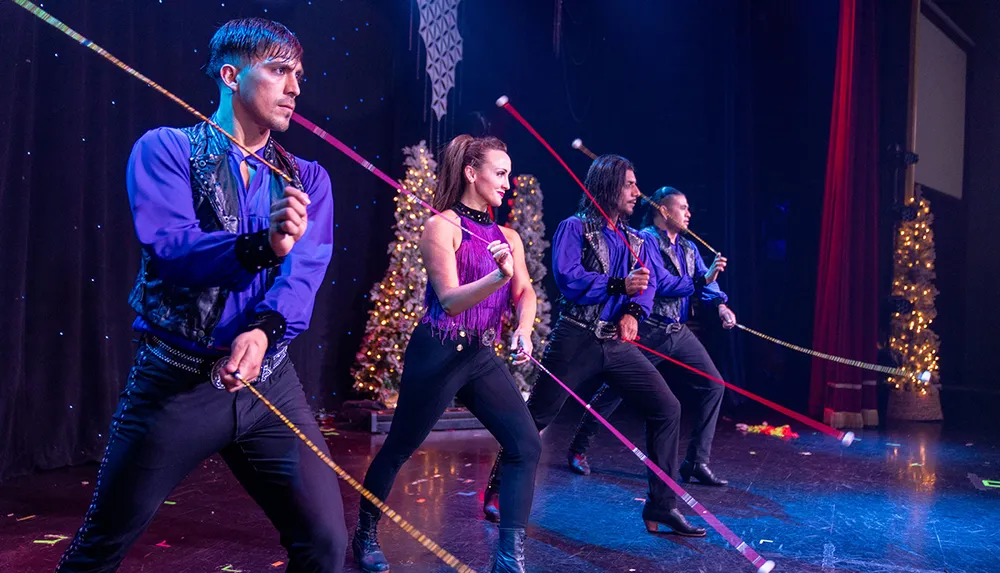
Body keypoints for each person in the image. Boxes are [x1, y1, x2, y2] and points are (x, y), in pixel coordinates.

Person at [57, 18, 346, 572]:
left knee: (326, 545)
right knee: (99, 550)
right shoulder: (165, 151)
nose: (295, 88)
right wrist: (262, 245)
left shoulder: (308, 179)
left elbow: (305, 270)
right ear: (232, 75)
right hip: (177, 384)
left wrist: (264, 332)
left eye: (300, 75)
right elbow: (174, 248)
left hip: (269, 383)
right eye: (281, 70)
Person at [482, 156, 706, 537]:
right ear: (608, 185)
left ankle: (661, 507)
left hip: (614, 343)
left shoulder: (636, 239)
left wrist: (633, 311)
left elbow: (647, 285)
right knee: (536, 416)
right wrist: (620, 287)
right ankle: (498, 489)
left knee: (668, 408)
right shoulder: (576, 228)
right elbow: (569, 280)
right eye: (630, 185)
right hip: (577, 337)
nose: (638, 193)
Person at [353, 135, 541, 573]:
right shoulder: (442, 226)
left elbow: (526, 289)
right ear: (471, 173)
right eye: (500, 173)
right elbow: (452, 300)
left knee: (525, 445)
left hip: (479, 354)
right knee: (399, 447)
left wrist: (525, 331)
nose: (507, 183)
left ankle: (509, 562)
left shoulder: (508, 236)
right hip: (438, 351)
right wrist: (498, 277)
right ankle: (364, 536)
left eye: (509, 174)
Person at [566, 186, 735, 488]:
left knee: (714, 385)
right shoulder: (644, 240)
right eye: (682, 208)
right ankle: (579, 447)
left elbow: (705, 283)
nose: (689, 214)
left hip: (677, 331)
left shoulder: (687, 247)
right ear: (664, 211)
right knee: (613, 391)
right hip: (648, 329)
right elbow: (662, 285)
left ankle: (697, 462)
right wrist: (702, 279)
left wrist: (720, 305)